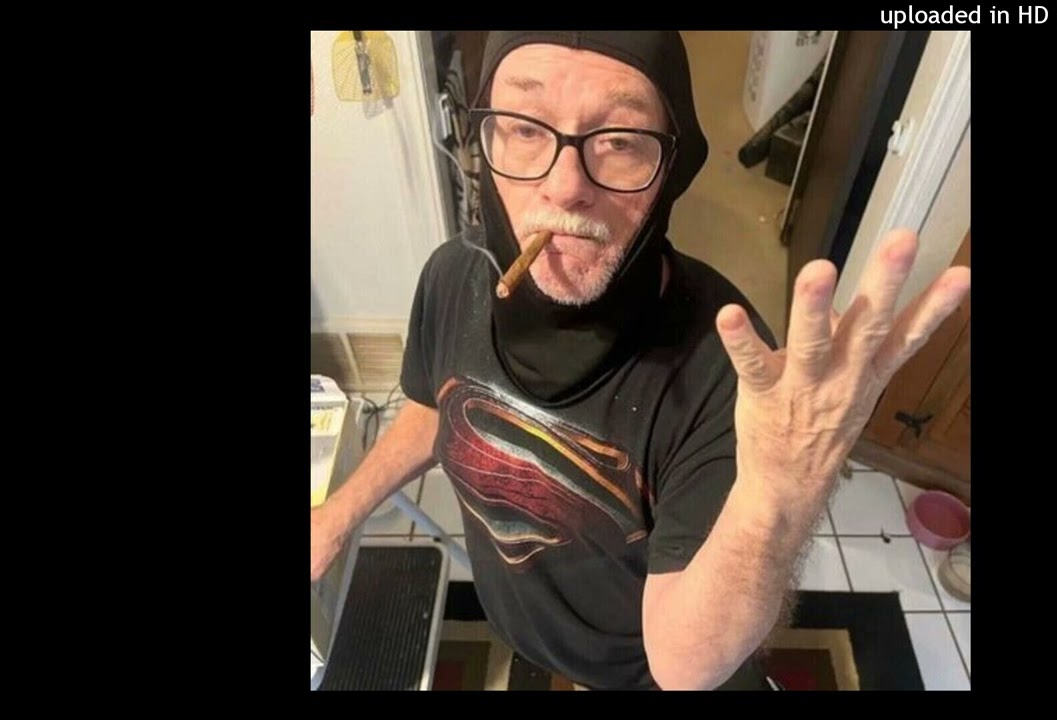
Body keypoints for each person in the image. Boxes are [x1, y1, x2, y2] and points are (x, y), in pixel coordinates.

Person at [310, 31, 971, 691]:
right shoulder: (452, 275)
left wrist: (778, 495)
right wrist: (336, 517)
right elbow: (436, 403)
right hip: (522, 628)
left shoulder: (726, 371)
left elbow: (686, 667)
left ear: (673, 168)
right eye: (525, 128)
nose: (565, 187)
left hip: (642, 670)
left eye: (621, 141)